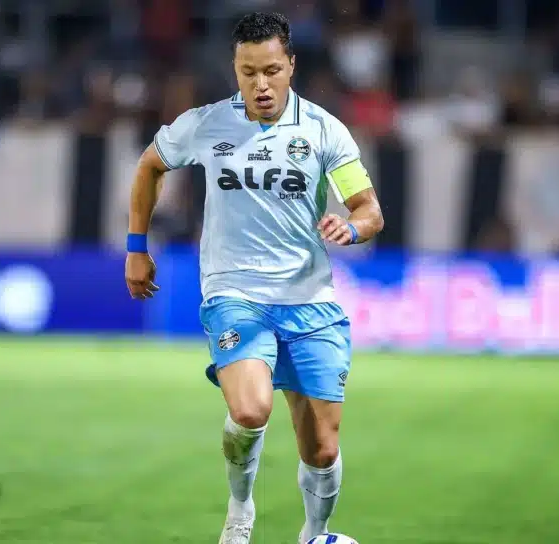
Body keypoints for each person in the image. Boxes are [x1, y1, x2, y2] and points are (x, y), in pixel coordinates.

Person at [124, 12, 384, 544]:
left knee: (323, 449)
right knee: (250, 408)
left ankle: (314, 534)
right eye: (248, 72)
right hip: (234, 293)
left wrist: (351, 229)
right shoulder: (206, 123)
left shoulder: (322, 129)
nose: (260, 85)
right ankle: (240, 509)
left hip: (310, 300)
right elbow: (149, 166)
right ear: (234, 69)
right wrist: (136, 248)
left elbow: (369, 209)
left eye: (270, 70)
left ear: (291, 65)